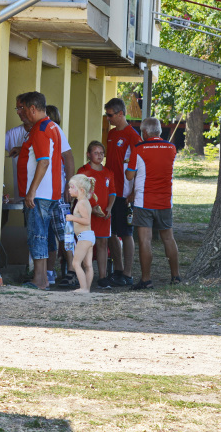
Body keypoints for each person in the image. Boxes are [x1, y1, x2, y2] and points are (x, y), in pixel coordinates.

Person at [125, 117, 181, 289]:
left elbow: (129, 175)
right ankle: (175, 276)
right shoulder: (171, 148)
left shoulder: (139, 149)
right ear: (159, 131)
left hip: (144, 202)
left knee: (145, 241)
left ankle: (146, 279)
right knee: (169, 238)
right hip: (165, 200)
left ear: (145, 132)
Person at [16, 91, 63, 290]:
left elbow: (43, 161)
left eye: (24, 108)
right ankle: (42, 278)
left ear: (33, 109)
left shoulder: (41, 128)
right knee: (43, 235)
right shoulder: (52, 126)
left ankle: (39, 280)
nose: (22, 113)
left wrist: (31, 191)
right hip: (49, 192)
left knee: (37, 236)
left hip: (41, 193)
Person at [103, 97, 141, 287]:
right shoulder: (110, 134)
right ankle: (117, 270)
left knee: (126, 233)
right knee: (110, 231)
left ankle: (127, 273)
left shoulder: (133, 136)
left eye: (110, 115)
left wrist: (134, 191)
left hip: (125, 193)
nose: (108, 118)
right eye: (106, 115)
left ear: (120, 114)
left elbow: (140, 167)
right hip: (110, 191)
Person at [77, 141, 116, 287]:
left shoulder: (108, 172)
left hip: (103, 214)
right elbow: (79, 193)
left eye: (101, 153)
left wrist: (110, 208)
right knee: (85, 244)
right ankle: (82, 276)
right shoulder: (83, 171)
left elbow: (112, 193)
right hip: (87, 213)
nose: (99, 156)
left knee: (102, 243)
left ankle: (103, 277)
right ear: (88, 154)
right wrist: (90, 208)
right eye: (96, 153)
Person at [44, 104, 75, 286]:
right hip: (49, 193)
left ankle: (73, 270)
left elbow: (69, 159)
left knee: (66, 233)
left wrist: (68, 187)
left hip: (60, 193)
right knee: (52, 234)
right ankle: (52, 271)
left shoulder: (57, 132)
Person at [65, 174, 95, 293]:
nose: (69, 190)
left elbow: (86, 220)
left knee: (76, 263)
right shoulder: (85, 201)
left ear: (81, 190)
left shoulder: (81, 203)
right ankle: (87, 288)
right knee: (88, 264)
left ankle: (83, 288)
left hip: (84, 237)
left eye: (72, 187)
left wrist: (73, 218)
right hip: (88, 236)